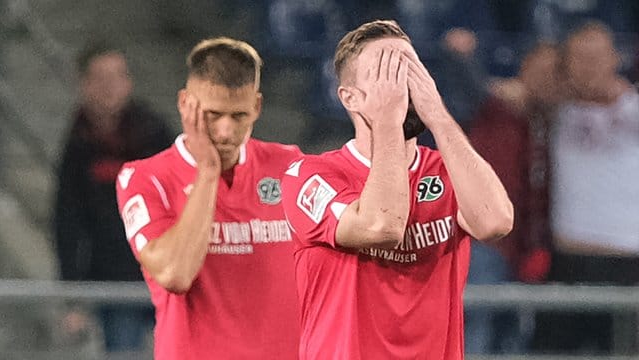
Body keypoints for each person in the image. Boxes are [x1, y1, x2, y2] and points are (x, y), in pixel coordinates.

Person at [281, 20, 513, 359]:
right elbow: (381, 226)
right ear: (350, 97)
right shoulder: (312, 176)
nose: (401, 87)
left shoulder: (447, 168)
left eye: (409, 70)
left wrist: (438, 115)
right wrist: (389, 120)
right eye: (384, 75)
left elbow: (495, 222)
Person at [115, 37, 302, 360]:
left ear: (257, 106)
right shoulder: (146, 178)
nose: (227, 131)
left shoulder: (290, 167)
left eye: (239, 115)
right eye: (213, 115)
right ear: (185, 103)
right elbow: (174, 273)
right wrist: (207, 173)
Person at [53, 41, 174, 352]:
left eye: (117, 77)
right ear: (84, 84)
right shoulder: (78, 145)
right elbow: (67, 222)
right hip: (112, 279)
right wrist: (73, 298)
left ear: (129, 82)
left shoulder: (155, 134)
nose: (111, 87)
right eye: (101, 78)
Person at [533, 21, 639, 354]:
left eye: (595, 57)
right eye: (578, 58)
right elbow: (526, 82)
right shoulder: (555, 109)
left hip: (627, 257)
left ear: (615, 58)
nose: (588, 66)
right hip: (569, 257)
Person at [465, 42, 561, 354]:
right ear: (524, 69)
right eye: (540, 70)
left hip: (521, 247)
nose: (546, 79)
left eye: (554, 73)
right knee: (475, 334)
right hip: (482, 242)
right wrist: (463, 56)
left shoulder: (545, 121)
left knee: (512, 338)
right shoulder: (495, 107)